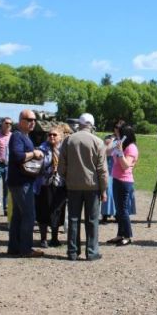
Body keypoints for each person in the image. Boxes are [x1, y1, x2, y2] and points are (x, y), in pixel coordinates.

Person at [60, 112, 107, 261]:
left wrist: (67, 177)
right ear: (91, 125)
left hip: (73, 185)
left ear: (79, 124)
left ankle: (72, 251)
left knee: (73, 218)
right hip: (92, 186)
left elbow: (61, 166)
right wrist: (104, 189)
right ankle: (92, 252)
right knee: (92, 220)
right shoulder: (98, 142)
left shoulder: (68, 140)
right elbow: (102, 169)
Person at [7, 110, 45, 257]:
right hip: (21, 182)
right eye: (29, 119)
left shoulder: (24, 136)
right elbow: (17, 156)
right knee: (29, 215)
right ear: (21, 120)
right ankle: (26, 249)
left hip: (20, 181)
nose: (33, 122)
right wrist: (34, 153)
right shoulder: (17, 136)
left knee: (18, 216)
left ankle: (14, 247)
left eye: (34, 120)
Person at [35, 124, 71, 248]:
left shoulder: (64, 149)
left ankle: (54, 238)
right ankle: (43, 239)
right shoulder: (42, 148)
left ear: (60, 137)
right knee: (43, 211)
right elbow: (39, 164)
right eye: (49, 134)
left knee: (57, 211)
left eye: (54, 135)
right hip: (44, 184)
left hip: (60, 184)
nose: (51, 137)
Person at [106, 124, 139, 247]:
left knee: (123, 210)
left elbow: (125, 166)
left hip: (125, 182)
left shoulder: (131, 148)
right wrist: (112, 142)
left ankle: (128, 236)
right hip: (116, 179)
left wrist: (120, 151)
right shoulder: (121, 144)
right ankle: (120, 234)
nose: (117, 136)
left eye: (119, 134)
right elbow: (107, 152)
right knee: (118, 210)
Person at [100, 132, 116, 224]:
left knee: (116, 192)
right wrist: (110, 142)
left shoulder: (120, 141)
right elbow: (106, 152)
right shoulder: (108, 140)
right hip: (108, 170)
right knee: (108, 191)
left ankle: (117, 214)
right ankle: (105, 214)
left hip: (116, 170)